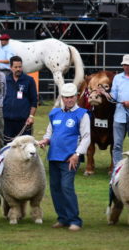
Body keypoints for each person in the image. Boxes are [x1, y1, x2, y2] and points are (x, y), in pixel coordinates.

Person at [38, 83, 91, 231]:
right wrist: (45, 140)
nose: (68, 100)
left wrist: (77, 154)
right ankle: (62, 218)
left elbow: (86, 138)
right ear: (62, 98)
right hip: (54, 156)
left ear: (76, 97)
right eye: (66, 97)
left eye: (71, 97)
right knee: (55, 188)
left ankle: (75, 220)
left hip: (70, 158)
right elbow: (50, 132)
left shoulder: (82, 114)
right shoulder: (55, 113)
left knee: (66, 187)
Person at [100, 54, 129, 169]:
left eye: (128, 65)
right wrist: (105, 94)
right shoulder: (117, 78)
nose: (126, 67)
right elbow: (114, 96)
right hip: (120, 115)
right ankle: (117, 170)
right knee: (117, 145)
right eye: (125, 65)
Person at [3, 55, 37, 144]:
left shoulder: (29, 80)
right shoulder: (5, 80)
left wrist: (31, 116)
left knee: (24, 148)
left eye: (20, 67)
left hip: (23, 122)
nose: (18, 69)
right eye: (16, 67)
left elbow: (34, 101)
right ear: (10, 67)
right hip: (7, 121)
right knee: (8, 148)